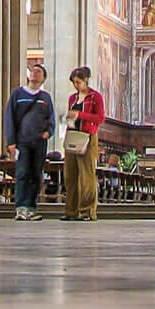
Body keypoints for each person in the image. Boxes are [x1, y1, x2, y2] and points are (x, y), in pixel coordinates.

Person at [4, 57, 55, 219]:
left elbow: (51, 118)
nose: (35, 73)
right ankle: (21, 207)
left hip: (39, 142)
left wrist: (49, 131)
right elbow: (9, 117)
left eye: (38, 72)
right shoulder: (17, 94)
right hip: (22, 141)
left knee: (35, 174)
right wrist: (11, 141)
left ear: (43, 78)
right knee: (22, 173)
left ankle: (31, 207)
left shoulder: (45, 98)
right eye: (33, 71)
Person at [62, 64, 105, 221]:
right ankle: (71, 211)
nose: (76, 85)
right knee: (70, 175)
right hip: (73, 135)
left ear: (86, 80)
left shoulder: (95, 97)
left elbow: (100, 118)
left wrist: (80, 114)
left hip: (87, 137)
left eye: (79, 82)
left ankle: (87, 211)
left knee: (86, 176)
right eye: (74, 82)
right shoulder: (72, 98)